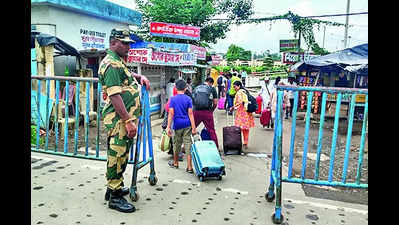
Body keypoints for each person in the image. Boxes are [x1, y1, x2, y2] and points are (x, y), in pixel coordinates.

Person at [98, 28, 150, 213]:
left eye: (129, 43)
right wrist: (128, 121)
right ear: (113, 43)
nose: (129, 47)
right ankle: (114, 196)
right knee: (117, 156)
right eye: (125, 43)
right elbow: (115, 96)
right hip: (119, 120)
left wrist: (139, 77)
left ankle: (115, 188)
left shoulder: (118, 62)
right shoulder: (111, 64)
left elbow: (126, 75)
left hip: (122, 119)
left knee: (120, 155)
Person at [166, 79, 197, 173]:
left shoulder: (173, 99)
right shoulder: (188, 99)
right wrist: (194, 127)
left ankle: (175, 163)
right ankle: (190, 167)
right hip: (187, 124)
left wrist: (168, 127)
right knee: (188, 144)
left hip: (177, 124)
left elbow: (171, 114)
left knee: (177, 144)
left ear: (175, 88)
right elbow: (191, 114)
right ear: (185, 88)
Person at [192, 77, 220, 149]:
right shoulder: (212, 89)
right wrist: (211, 110)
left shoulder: (196, 88)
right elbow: (215, 102)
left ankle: (186, 147)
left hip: (196, 112)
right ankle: (216, 148)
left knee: (191, 129)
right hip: (207, 112)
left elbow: (193, 100)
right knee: (211, 130)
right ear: (210, 83)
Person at [229, 81, 255, 150]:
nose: (234, 88)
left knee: (239, 128)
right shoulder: (245, 91)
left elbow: (240, 102)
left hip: (241, 112)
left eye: (235, 87)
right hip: (247, 112)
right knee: (246, 129)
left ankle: (238, 142)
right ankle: (245, 143)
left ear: (239, 86)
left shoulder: (239, 92)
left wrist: (233, 107)